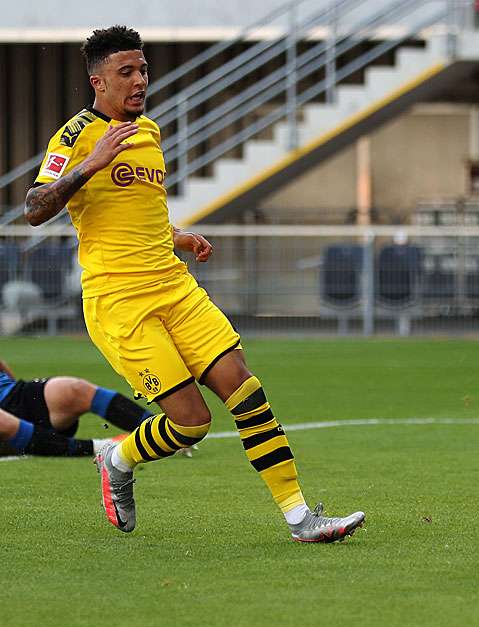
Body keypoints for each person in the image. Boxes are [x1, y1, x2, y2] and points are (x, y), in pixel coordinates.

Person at [23, 26, 364, 541]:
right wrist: (92, 164)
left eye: (143, 70)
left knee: (246, 390)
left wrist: (177, 236)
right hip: (120, 303)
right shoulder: (74, 137)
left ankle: (301, 519)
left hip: (175, 288)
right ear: (98, 82)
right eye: (127, 72)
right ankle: (118, 457)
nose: (140, 80)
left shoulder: (150, 132)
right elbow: (33, 208)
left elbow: (137, 210)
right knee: (191, 423)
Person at [0, 358, 151, 458]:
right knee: (4, 422)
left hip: (11, 396)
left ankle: (162, 431)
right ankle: (102, 447)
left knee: (73, 389)